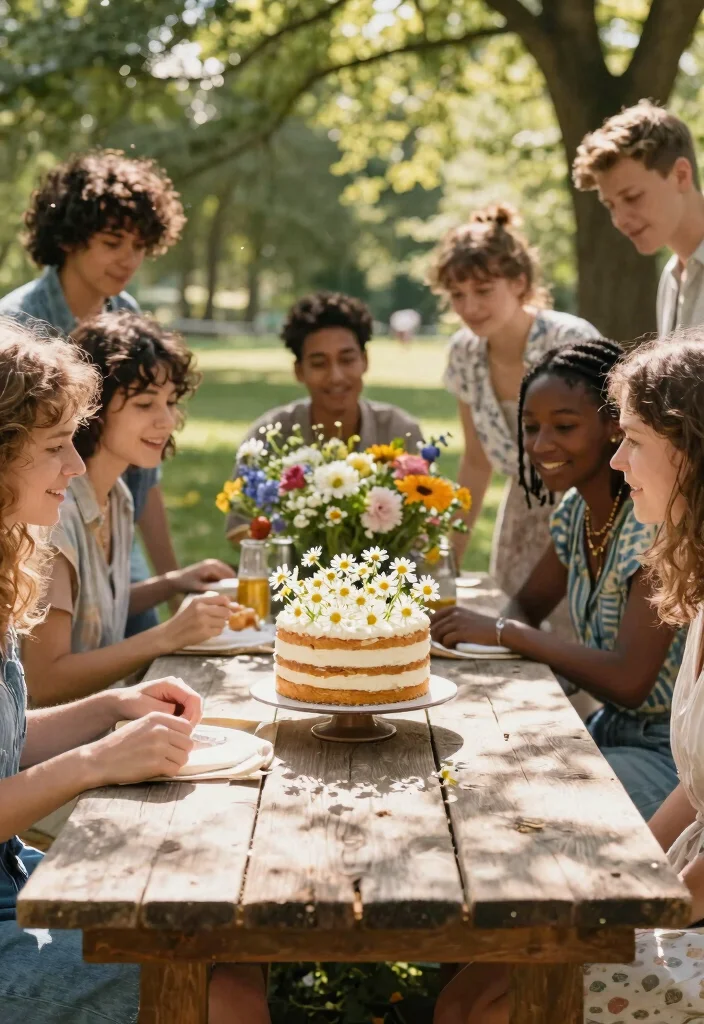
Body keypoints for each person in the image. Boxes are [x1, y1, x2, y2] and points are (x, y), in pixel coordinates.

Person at [0, 320, 270, 1022]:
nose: (72, 466)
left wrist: (114, 709)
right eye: (56, 448)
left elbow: (6, 742)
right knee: (222, 987)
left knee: (230, 937)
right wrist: (95, 761)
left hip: (14, 880)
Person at [433, 331, 704, 1024]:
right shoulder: (671, 572)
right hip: (675, 856)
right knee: (463, 995)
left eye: (633, 439)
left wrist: (642, 915)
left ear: (692, 450)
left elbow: (633, 681)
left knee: (502, 1003)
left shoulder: (657, 544)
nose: (617, 456)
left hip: (682, 873)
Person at [431, 339, 686, 820]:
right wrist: (506, 636)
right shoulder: (577, 513)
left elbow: (631, 680)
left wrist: (508, 635)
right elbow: (526, 604)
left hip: (667, 757)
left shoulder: (652, 524)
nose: (541, 445)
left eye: (564, 427)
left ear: (615, 425)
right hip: (609, 729)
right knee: (478, 769)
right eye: (530, 428)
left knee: (530, 799)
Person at [0, 148, 187, 635]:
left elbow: (146, 477)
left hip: (112, 536)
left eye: (141, 245)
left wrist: (173, 584)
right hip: (38, 540)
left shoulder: (125, 313)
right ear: (69, 238)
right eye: (112, 241)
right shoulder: (15, 327)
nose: (129, 259)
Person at [22, 311, 235, 706]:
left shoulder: (117, 494)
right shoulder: (55, 510)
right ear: (94, 407)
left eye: (170, 402)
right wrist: (169, 634)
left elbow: (94, 607)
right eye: (144, 403)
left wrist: (171, 583)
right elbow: (45, 680)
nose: (166, 420)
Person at [430, 204, 600, 623]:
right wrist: (448, 559)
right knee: (513, 640)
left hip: (589, 509)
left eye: (483, 290)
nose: (469, 306)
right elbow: (475, 462)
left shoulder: (569, 340)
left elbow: (606, 445)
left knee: (579, 648)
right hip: (521, 515)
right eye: (457, 295)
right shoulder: (465, 353)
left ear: (520, 282)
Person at [226, 290, 423, 542]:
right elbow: (239, 529)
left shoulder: (400, 432)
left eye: (347, 359)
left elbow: (423, 528)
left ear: (365, 361)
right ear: (299, 371)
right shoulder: (268, 435)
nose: (336, 376)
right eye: (319, 363)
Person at [573, 99, 704, 337]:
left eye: (632, 197)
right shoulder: (671, 278)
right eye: (610, 205)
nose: (619, 220)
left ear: (681, 175)